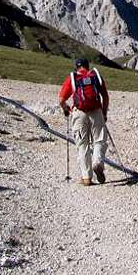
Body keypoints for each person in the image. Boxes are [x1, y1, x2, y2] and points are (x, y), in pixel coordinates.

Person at [58, 57, 110, 186]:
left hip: (79, 113)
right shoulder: (96, 76)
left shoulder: (73, 78)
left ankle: (86, 178)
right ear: (88, 65)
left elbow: (61, 99)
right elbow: (105, 96)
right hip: (96, 111)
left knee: (82, 145)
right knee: (99, 140)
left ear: (76, 67)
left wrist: (66, 109)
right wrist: (104, 112)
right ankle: (97, 162)